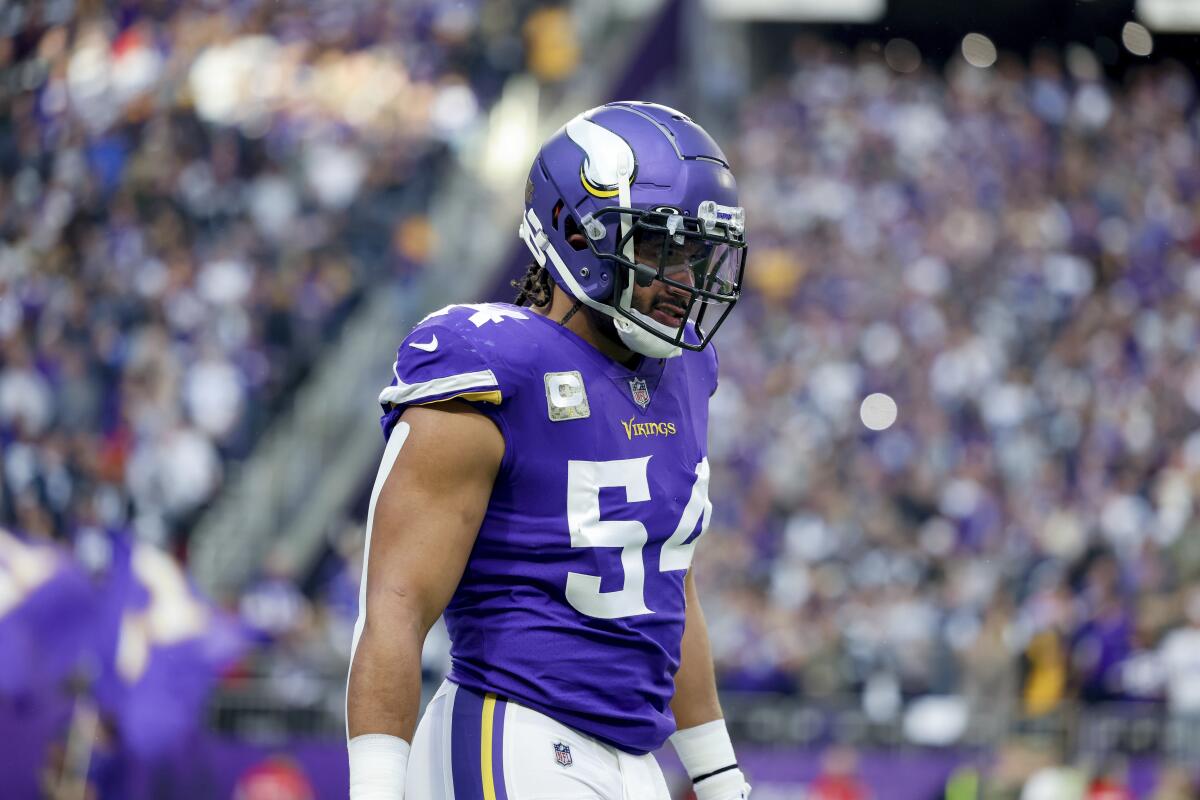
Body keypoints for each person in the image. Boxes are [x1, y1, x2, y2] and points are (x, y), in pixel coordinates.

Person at [345, 102, 751, 800]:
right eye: (659, 247)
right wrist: (377, 788)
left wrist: (718, 775)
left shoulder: (685, 373)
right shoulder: (494, 363)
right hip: (517, 732)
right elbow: (396, 601)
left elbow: (664, 583)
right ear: (575, 231)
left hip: (634, 758)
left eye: (696, 253)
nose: (684, 279)